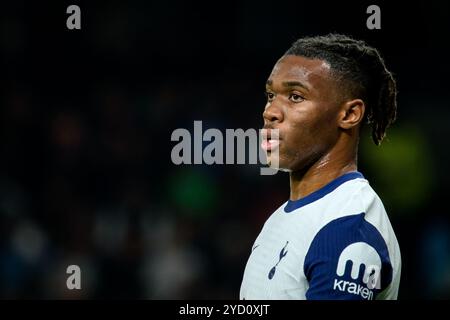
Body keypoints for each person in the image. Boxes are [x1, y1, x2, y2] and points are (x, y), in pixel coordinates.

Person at [240, 34, 401, 300]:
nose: (270, 112)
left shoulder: (347, 227)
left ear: (349, 115)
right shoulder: (285, 214)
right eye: (271, 95)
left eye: (295, 96)